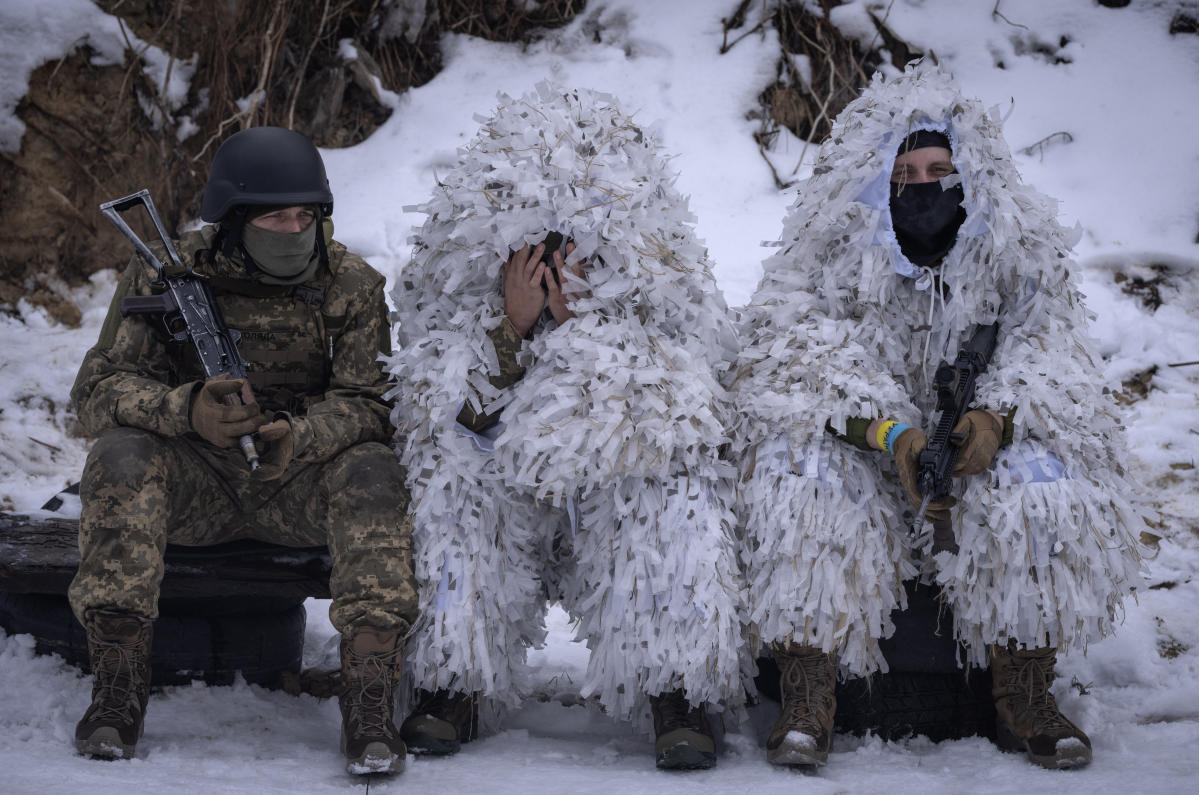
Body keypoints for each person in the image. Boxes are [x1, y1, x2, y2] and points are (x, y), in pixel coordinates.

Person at [730, 63, 1145, 771]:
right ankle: (807, 693)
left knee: (1040, 487)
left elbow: (1055, 359)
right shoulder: (824, 256)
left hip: (972, 463)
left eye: (940, 169)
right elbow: (786, 361)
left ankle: (1023, 692)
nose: (923, 187)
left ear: (970, 175)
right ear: (872, 179)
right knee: (796, 480)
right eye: (904, 172)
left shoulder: (1015, 256)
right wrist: (885, 433)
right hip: (867, 461)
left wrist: (992, 423)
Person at [386, 85, 748, 769]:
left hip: (607, 497)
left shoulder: (668, 293)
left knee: (671, 483)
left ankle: (677, 689)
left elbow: (690, 402)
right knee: (452, 480)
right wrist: (511, 332)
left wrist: (587, 335)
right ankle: (452, 680)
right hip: (506, 491)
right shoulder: (460, 298)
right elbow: (438, 407)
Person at [68, 126, 416, 775]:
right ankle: (116, 688)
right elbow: (94, 394)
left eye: (305, 215)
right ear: (232, 219)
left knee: (374, 469)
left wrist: (302, 435)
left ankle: (368, 700)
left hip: (296, 483)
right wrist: (185, 408)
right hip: (195, 485)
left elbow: (371, 402)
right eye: (274, 215)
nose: (292, 229)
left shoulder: (350, 283)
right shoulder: (170, 272)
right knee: (119, 453)